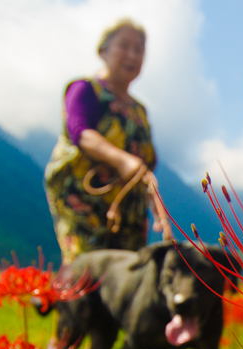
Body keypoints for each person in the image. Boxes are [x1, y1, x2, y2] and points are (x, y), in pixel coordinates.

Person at [45, 18, 172, 265]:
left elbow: (145, 162)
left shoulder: (139, 111)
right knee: (88, 273)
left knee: (127, 280)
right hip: (84, 203)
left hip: (129, 210)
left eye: (139, 50)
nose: (132, 55)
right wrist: (122, 160)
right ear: (103, 51)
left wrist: (154, 202)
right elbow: (80, 132)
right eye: (124, 46)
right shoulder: (85, 89)